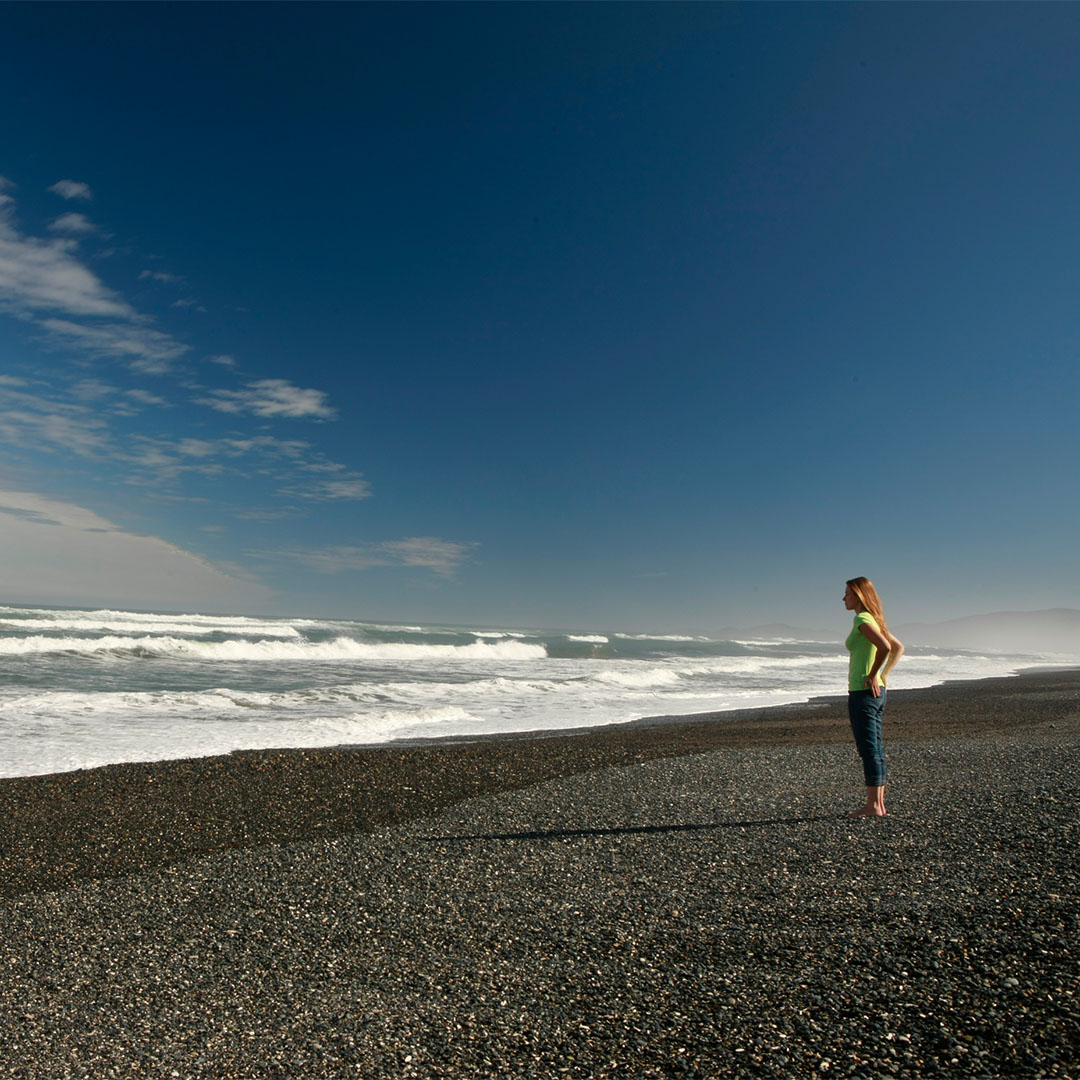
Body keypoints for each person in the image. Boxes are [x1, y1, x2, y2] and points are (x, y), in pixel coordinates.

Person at [843, 576, 904, 818]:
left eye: (847, 592)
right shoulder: (874, 619)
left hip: (863, 693)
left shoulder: (862, 619)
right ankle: (878, 804)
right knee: (874, 748)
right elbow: (898, 647)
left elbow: (887, 648)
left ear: (859, 594)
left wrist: (873, 675)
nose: (843, 598)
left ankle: (873, 806)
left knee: (868, 749)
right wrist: (883, 676)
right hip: (876, 693)